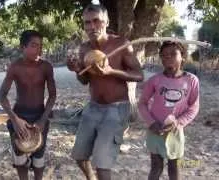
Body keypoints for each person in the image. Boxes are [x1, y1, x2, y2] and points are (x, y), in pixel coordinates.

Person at [67, 4, 144, 180]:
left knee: (102, 165)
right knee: (79, 157)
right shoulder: (84, 48)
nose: (92, 27)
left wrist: (112, 71)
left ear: (106, 21)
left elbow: (139, 75)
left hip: (116, 110)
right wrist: (77, 70)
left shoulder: (121, 44)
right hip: (93, 107)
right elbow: (85, 80)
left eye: (97, 21)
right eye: (87, 23)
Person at [0, 30, 56, 180]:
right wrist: (15, 120)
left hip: (39, 115)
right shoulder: (15, 67)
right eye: (34, 45)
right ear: (22, 47)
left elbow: (53, 95)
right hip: (19, 116)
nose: (39, 49)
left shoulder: (46, 67)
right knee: (19, 157)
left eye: (40, 46)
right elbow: (1, 95)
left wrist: (43, 120)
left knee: (39, 157)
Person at [138, 41, 199, 180]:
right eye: (164, 56)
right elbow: (142, 103)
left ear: (182, 56)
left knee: (174, 167)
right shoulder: (154, 80)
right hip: (155, 130)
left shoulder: (191, 80)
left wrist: (178, 123)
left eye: (173, 54)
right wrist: (151, 122)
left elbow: (194, 107)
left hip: (176, 131)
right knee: (156, 167)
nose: (168, 58)